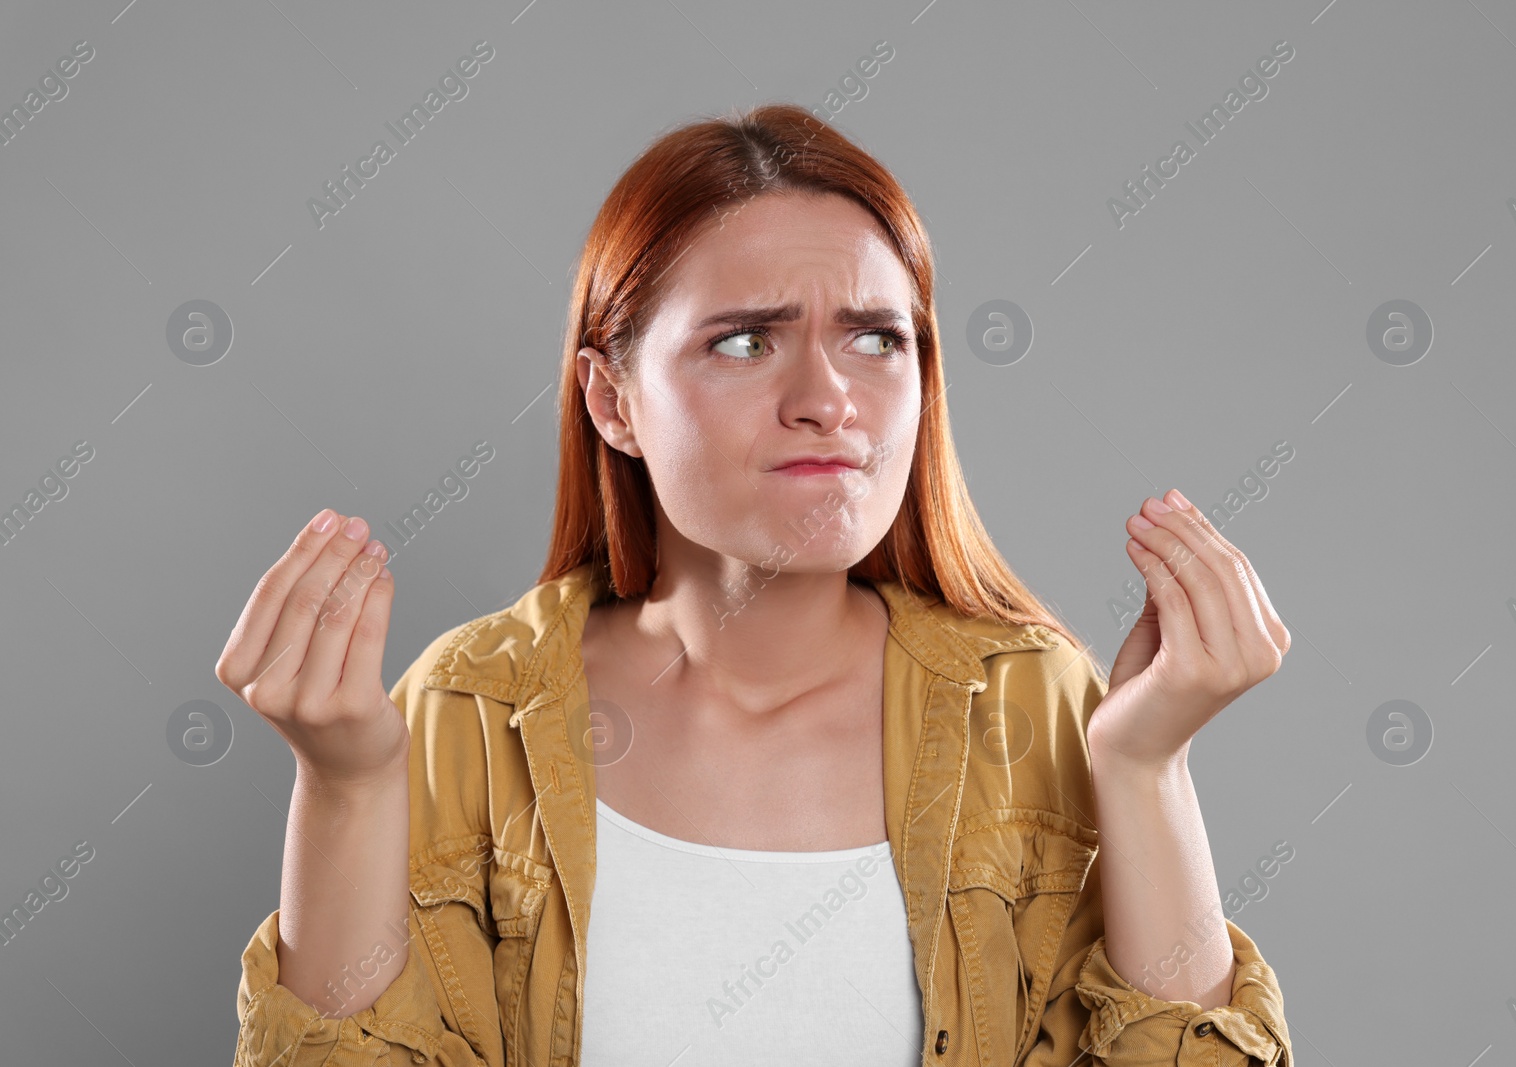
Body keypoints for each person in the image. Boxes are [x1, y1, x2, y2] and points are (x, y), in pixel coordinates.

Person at [219, 103, 1294, 1066]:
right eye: (743, 341)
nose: (827, 399)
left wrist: (1147, 767)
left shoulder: (1030, 703)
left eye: (876, 338)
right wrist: (347, 784)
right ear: (611, 401)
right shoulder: (472, 708)